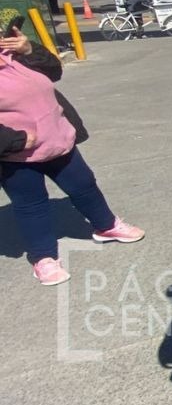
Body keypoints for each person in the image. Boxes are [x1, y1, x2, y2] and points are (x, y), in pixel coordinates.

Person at [1, 27, 142, 286]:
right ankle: (43, 257)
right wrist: (17, 140)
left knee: (84, 185)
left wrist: (30, 50)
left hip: (58, 140)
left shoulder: (14, 55)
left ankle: (106, 225)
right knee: (31, 204)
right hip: (15, 154)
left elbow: (54, 72)